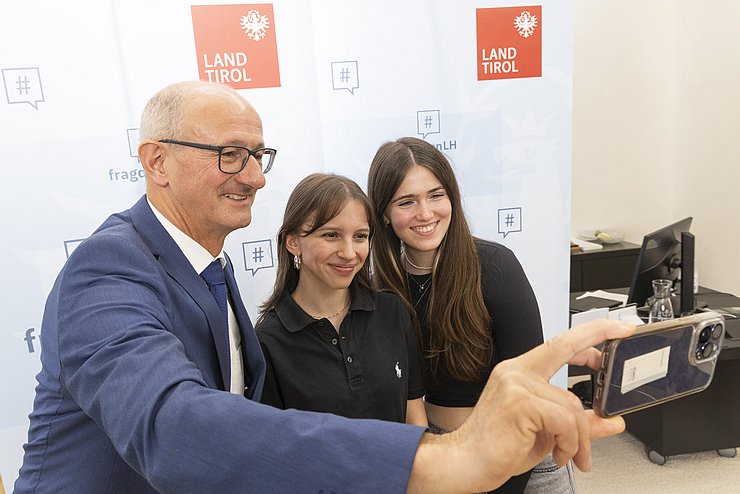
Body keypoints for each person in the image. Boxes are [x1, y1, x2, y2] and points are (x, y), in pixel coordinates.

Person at [14, 80, 633, 493]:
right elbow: (176, 427)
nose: (253, 177)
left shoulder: (213, 270)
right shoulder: (107, 268)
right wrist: (445, 458)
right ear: (155, 162)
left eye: (260, 156)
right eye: (230, 155)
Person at [367, 137, 573, 493]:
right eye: (406, 202)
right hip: (441, 453)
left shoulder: (494, 266)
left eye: (436, 195)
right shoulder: (379, 290)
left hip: (521, 451)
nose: (426, 213)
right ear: (384, 213)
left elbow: (530, 387)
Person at [255, 173, 426, 426]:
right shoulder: (268, 340)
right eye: (331, 235)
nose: (349, 253)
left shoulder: (392, 312)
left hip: (399, 467)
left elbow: (415, 418)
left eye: (360, 236)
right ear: (293, 242)